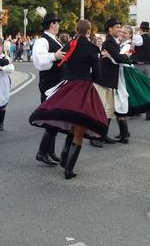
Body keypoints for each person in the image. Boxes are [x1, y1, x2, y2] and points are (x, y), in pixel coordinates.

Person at [30, 20, 107, 179]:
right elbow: (98, 75)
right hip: (83, 88)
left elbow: (62, 64)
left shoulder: (69, 45)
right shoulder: (92, 48)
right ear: (89, 31)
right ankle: (68, 168)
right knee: (79, 129)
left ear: (76, 29)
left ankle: (64, 159)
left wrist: (71, 77)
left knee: (71, 123)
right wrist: (85, 77)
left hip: (66, 87)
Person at [111, 26, 150, 143]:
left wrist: (108, 55)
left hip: (125, 75)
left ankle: (125, 135)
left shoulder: (128, 46)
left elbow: (118, 59)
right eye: (122, 32)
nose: (122, 34)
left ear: (130, 35)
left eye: (125, 32)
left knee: (121, 101)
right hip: (122, 73)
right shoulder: (122, 44)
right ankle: (125, 133)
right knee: (120, 101)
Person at [32, 9, 66, 165]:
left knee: (56, 118)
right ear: (52, 25)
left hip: (57, 84)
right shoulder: (42, 41)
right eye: (57, 23)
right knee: (53, 118)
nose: (58, 25)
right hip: (49, 85)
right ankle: (42, 152)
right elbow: (38, 62)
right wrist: (54, 56)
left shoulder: (54, 40)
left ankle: (50, 151)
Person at [92, 18, 130, 148]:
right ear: (110, 29)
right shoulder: (108, 42)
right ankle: (94, 137)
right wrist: (127, 56)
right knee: (101, 109)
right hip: (103, 80)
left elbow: (118, 58)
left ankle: (103, 135)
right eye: (117, 27)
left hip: (110, 80)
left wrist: (119, 57)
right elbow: (119, 58)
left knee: (108, 110)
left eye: (120, 27)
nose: (119, 29)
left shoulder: (114, 42)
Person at [132, 21, 150, 121]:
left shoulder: (138, 38)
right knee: (146, 87)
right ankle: (148, 111)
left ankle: (138, 110)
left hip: (139, 65)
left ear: (141, 29)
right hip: (148, 66)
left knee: (137, 87)